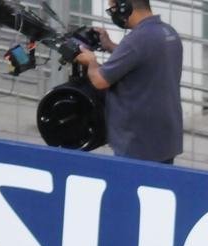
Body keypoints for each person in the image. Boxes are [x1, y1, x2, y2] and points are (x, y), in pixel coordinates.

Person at [75, 0, 184, 163]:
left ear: (124, 6)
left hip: (138, 142)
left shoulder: (137, 39)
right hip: (165, 138)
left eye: (113, 8)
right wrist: (111, 45)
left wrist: (91, 61)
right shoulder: (168, 32)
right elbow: (142, 57)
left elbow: (99, 80)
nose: (113, 13)